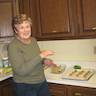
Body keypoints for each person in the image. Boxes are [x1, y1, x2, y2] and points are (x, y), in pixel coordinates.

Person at [8, 14, 55, 96]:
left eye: (27, 26)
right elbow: (21, 71)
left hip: (41, 82)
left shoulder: (33, 40)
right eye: (21, 28)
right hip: (25, 86)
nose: (26, 30)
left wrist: (44, 61)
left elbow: (35, 58)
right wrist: (41, 55)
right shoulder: (13, 46)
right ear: (16, 30)